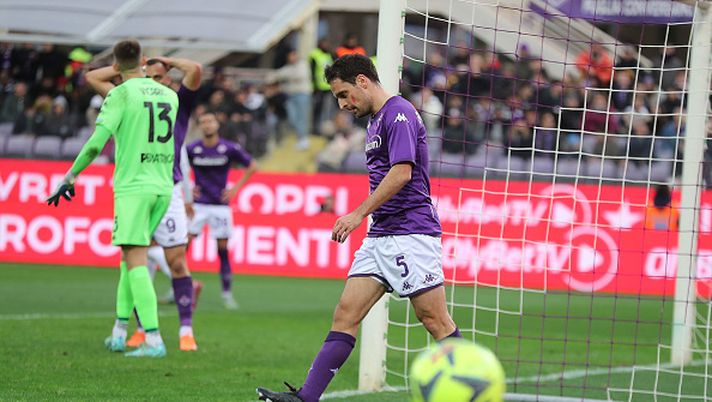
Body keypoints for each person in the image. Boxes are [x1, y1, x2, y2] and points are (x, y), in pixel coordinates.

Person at [256, 54, 460, 402]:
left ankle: (476, 386)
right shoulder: (375, 122)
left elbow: (402, 173)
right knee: (346, 314)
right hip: (381, 235)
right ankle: (306, 398)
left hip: (411, 233)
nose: (343, 104)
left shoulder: (399, 114)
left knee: (434, 320)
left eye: (344, 94)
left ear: (363, 81)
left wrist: (356, 215)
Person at [47, 39, 177, 357]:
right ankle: (119, 331)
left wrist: (70, 176)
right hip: (162, 186)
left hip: (134, 188)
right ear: (144, 62)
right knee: (129, 259)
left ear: (115, 66)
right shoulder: (170, 95)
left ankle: (153, 339)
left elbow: (95, 144)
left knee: (135, 259)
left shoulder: (120, 93)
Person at [83, 54, 202, 352]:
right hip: (139, 189)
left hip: (169, 189)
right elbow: (93, 78)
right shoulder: (130, 96)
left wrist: (166, 60)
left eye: (160, 77)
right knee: (139, 261)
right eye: (147, 77)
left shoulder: (178, 102)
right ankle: (140, 330)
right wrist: (128, 68)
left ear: (170, 80)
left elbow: (196, 69)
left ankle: (185, 331)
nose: (153, 83)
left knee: (176, 261)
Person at [187, 112, 257, 309]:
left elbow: (252, 165)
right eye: (203, 122)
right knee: (182, 246)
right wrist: (187, 187)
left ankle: (226, 294)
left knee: (223, 250)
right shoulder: (192, 149)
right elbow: (177, 167)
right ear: (199, 127)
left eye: (210, 121)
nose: (207, 125)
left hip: (220, 206)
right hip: (198, 205)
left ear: (217, 124)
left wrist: (235, 189)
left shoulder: (228, 148)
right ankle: (179, 285)